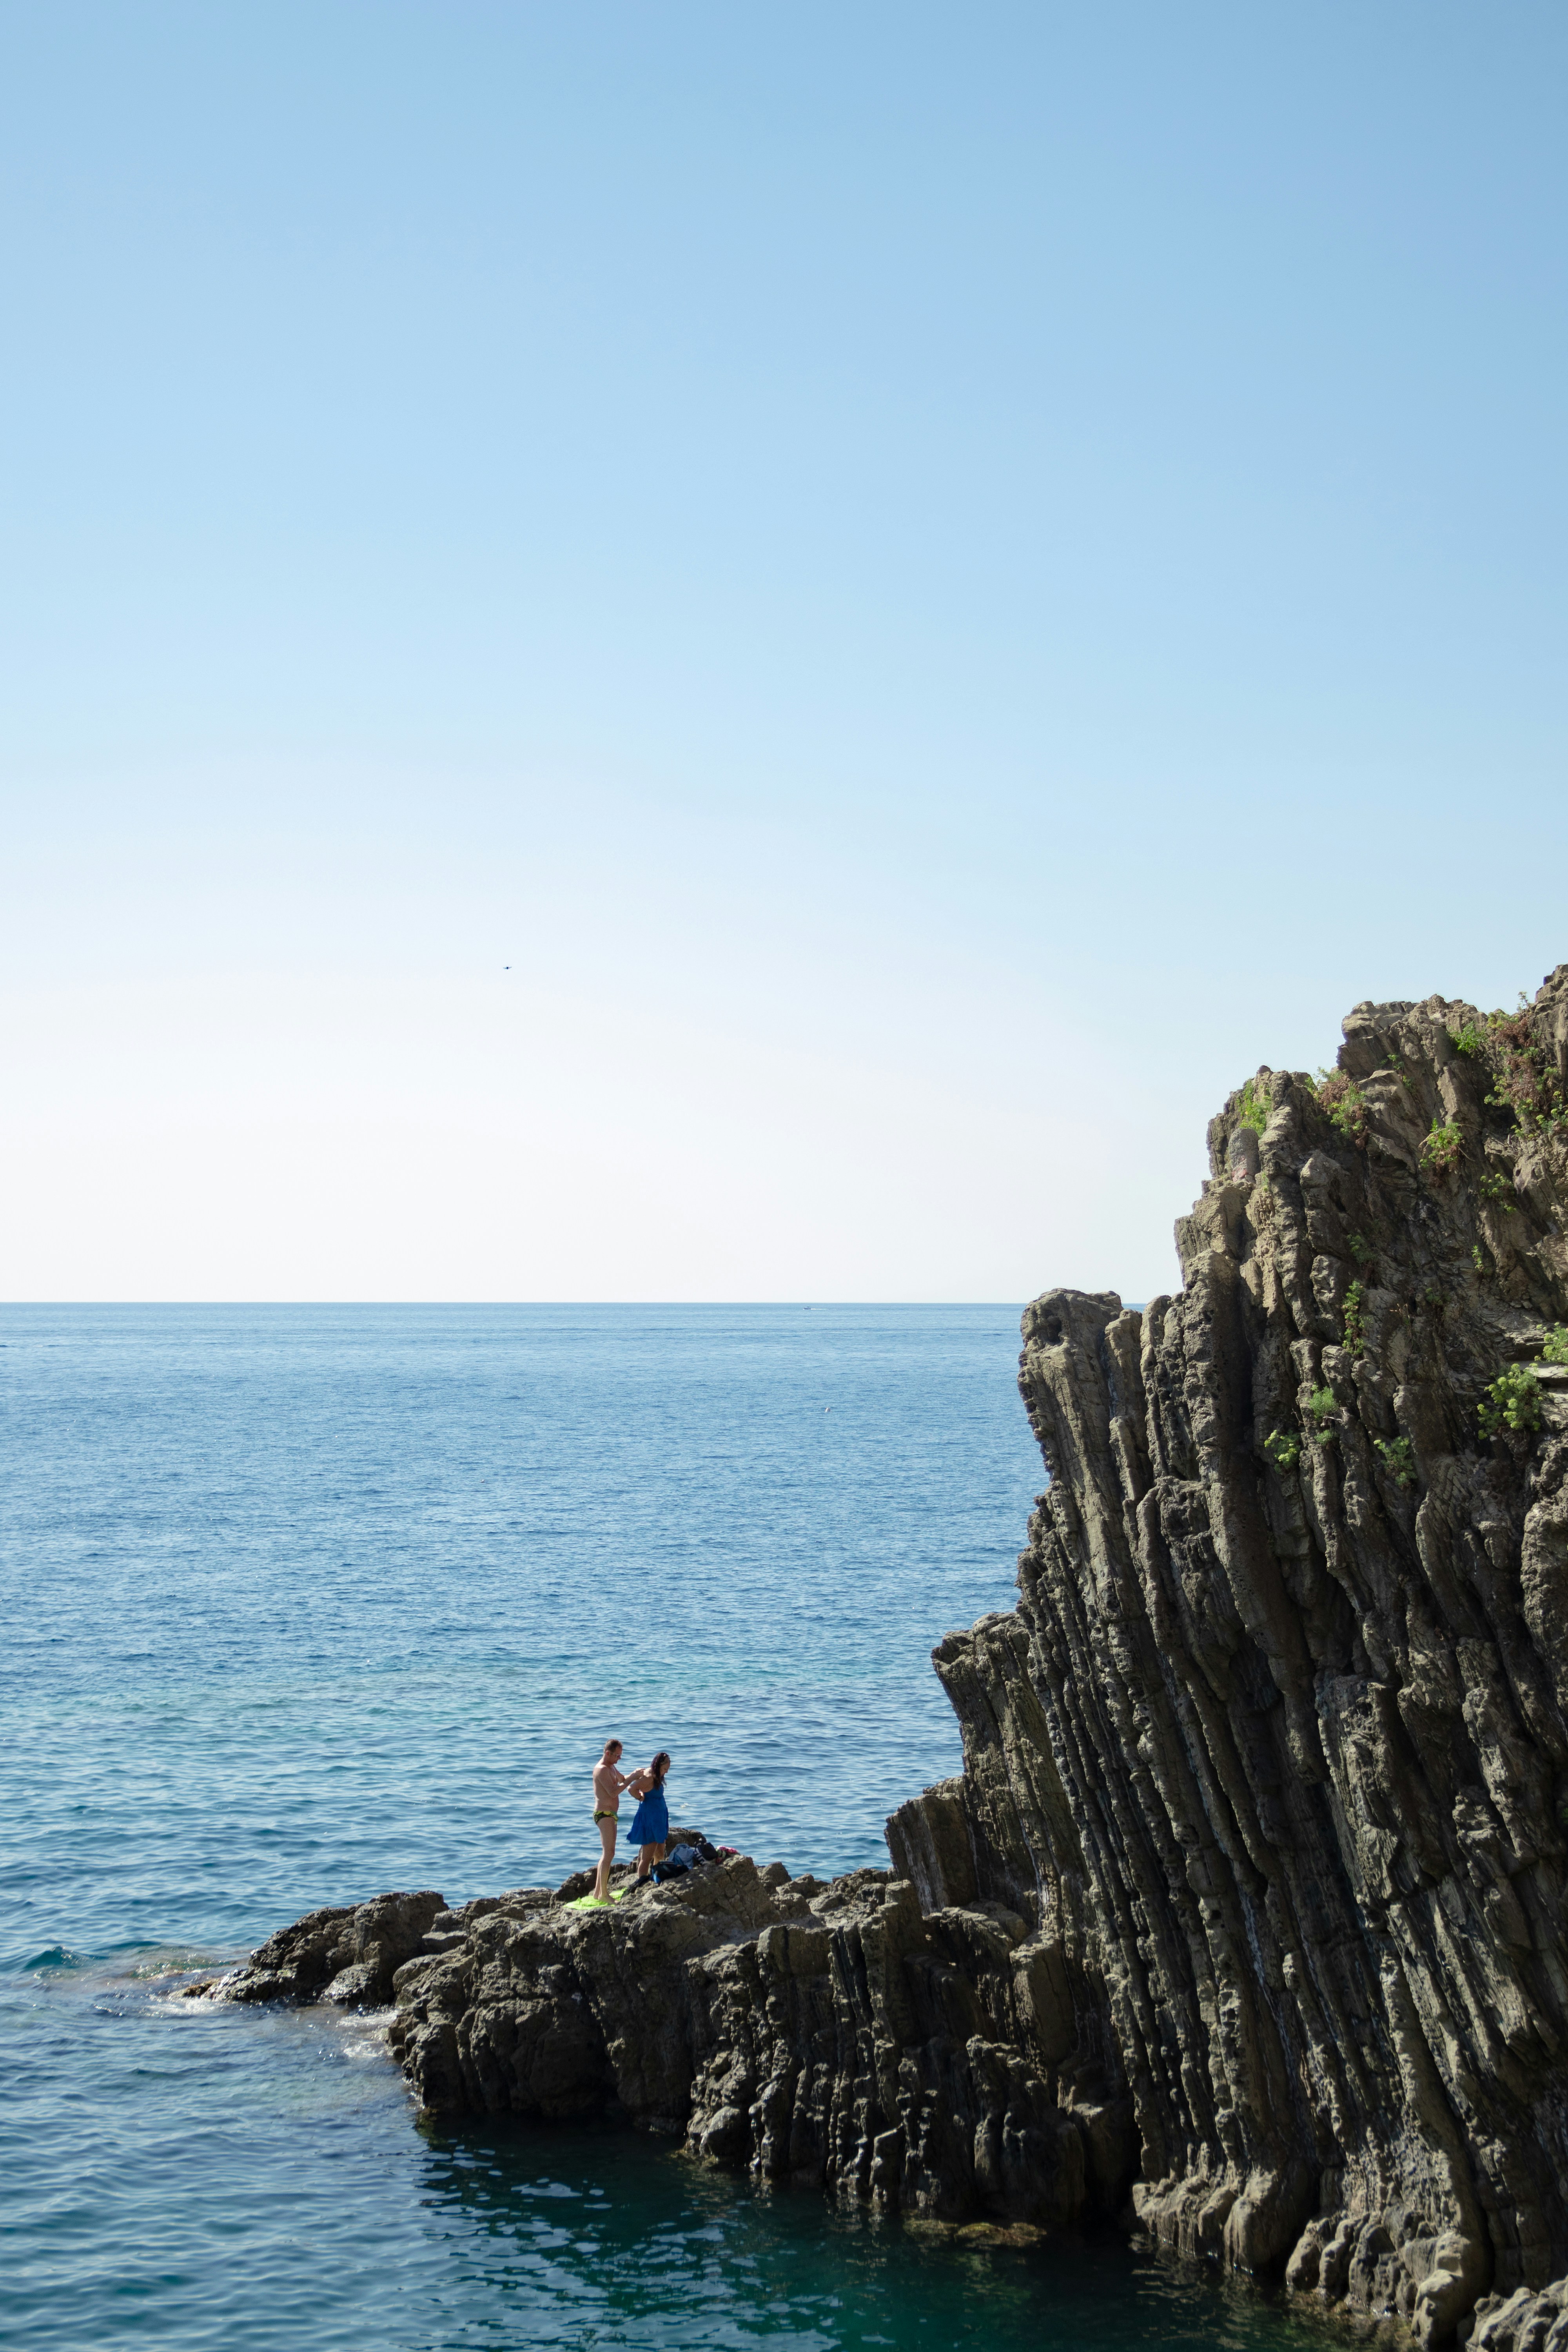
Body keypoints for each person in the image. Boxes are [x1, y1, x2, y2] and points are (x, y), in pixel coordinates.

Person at [592, 1739, 631, 1902]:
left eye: (621, 1756)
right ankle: (603, 1895)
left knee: (609, 1853)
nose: (619, 1759)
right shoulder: (601, 1770)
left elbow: (623, 1779)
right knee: (609, 1853)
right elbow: (613, 1792)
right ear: (608, 1753)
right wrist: (632, 1779)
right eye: (617, 1755)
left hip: (611, 1814)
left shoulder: (612, 1767)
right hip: (604, 1814)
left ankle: (597, 1892)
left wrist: (637, 1775)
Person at [623, 1751, 672, 1880]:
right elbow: (631, 1789)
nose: (666, 1772)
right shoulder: (649, 1777)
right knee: (647, 1857)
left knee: (661, 1852)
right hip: (651, 1819)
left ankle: (657, 1875)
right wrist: (640, 1798)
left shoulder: (656, 1774)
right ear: (658, 1766)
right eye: (665, 1769)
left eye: (668, 1769)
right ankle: (642, 1882)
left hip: (660, 1817)